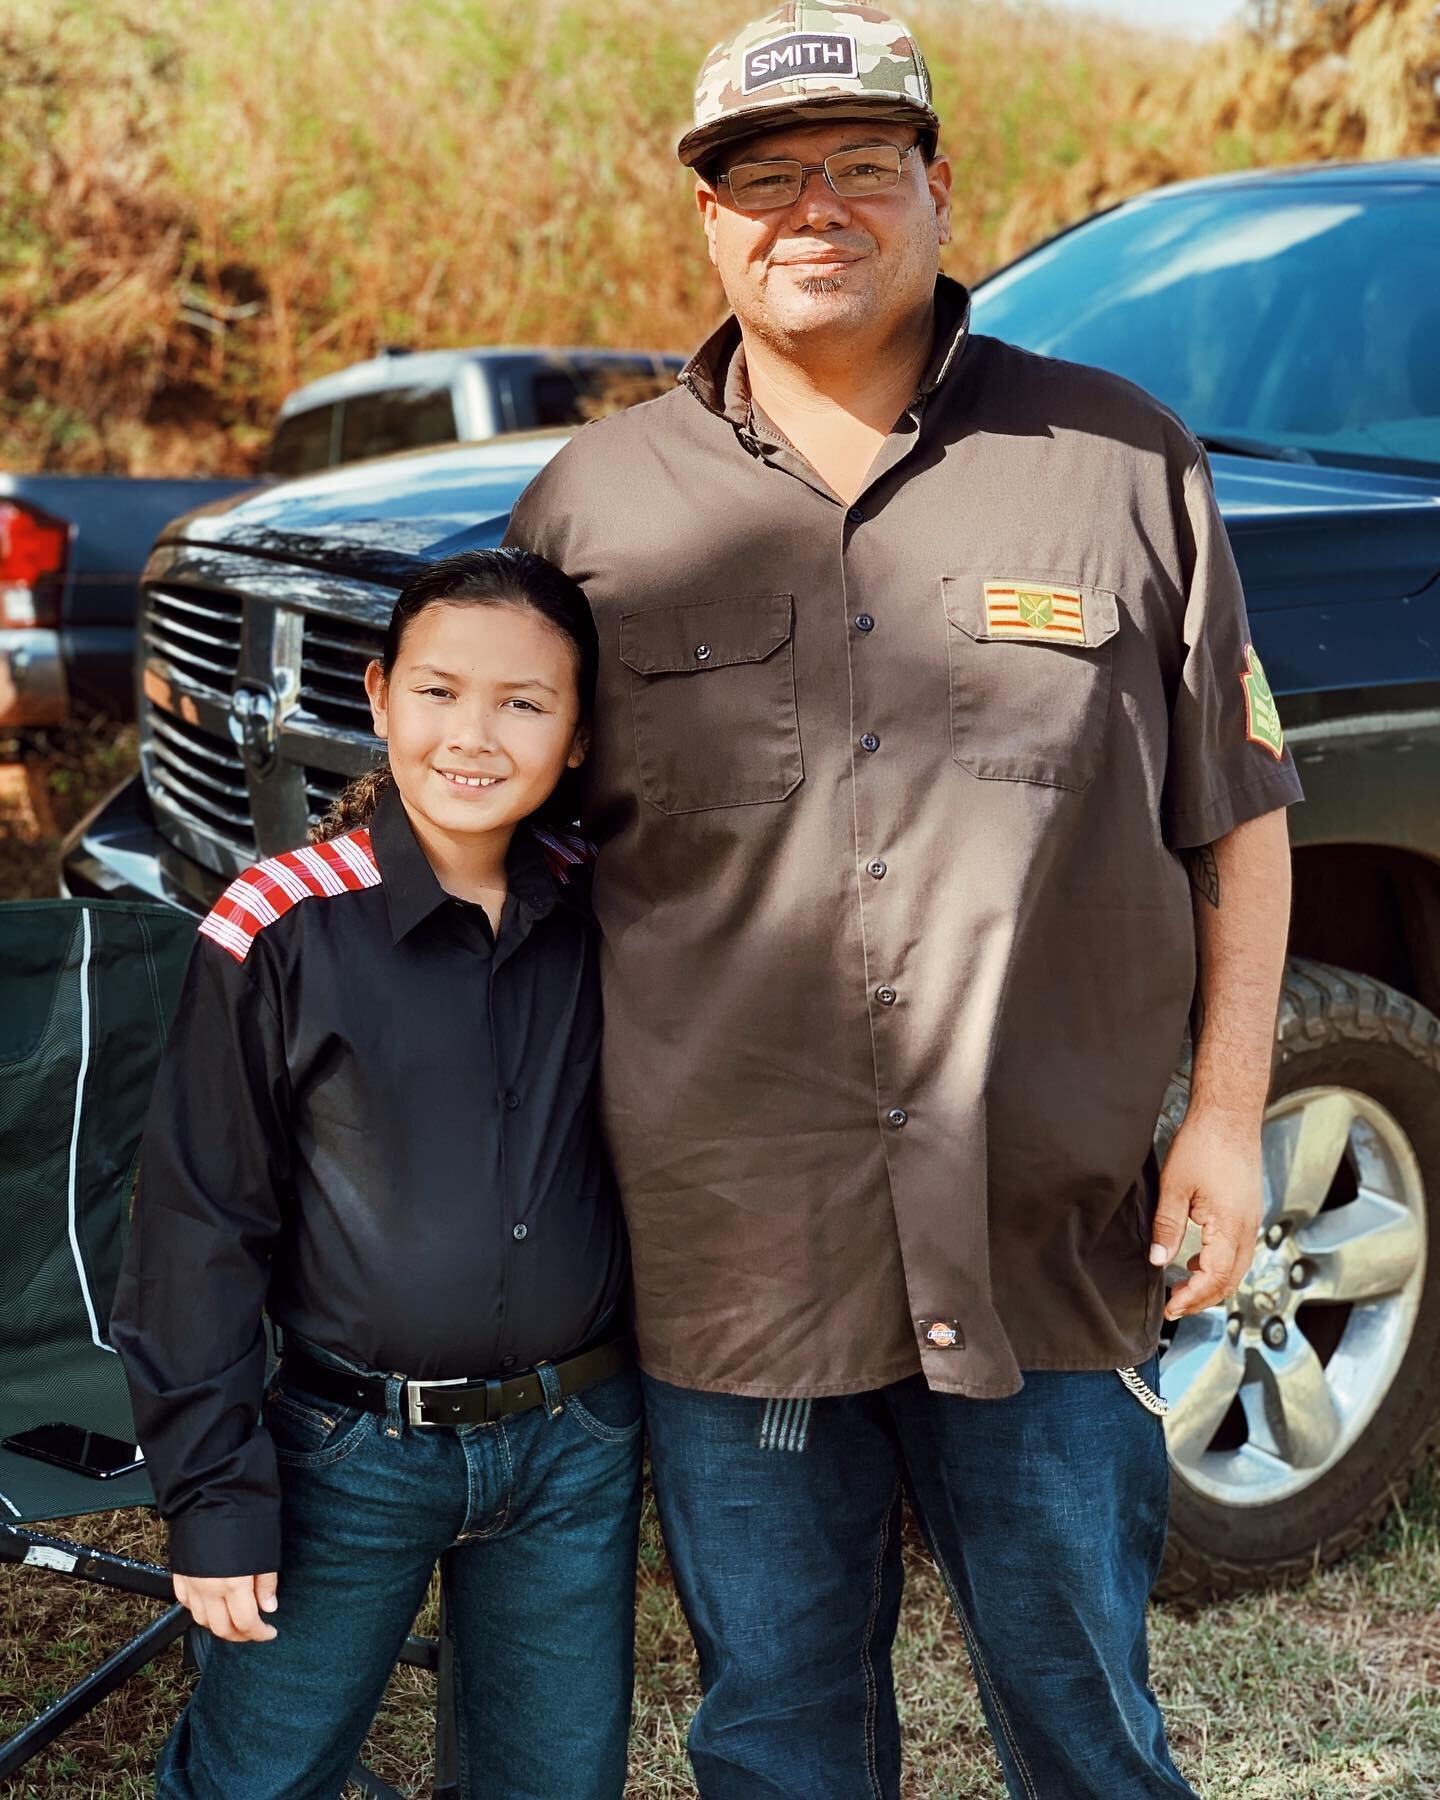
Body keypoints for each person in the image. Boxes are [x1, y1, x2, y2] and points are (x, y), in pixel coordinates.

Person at [503, 4, 1304, 1795]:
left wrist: (1233, 1121)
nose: (816, 209)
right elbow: (487, 859)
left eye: (863, 166)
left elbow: (1236, 819)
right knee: (777, 1739)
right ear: (709, 221)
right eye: (767, 178)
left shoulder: (1126, 465)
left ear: (940, 189)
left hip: (1051, 1242)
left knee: (1090, 1731)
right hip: (733, 1261)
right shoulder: (589, 511)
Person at [110, 550, 641, 1800]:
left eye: (525, 703)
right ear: (380, 695)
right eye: (440, 691)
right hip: (346, 1453)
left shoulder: (607, 919)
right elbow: (197, 1227)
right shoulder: (276, 924)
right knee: (264, 1775)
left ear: (577, 738)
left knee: (555, 1779)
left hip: (574, 1448)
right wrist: (217, 1497)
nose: (474, 734)